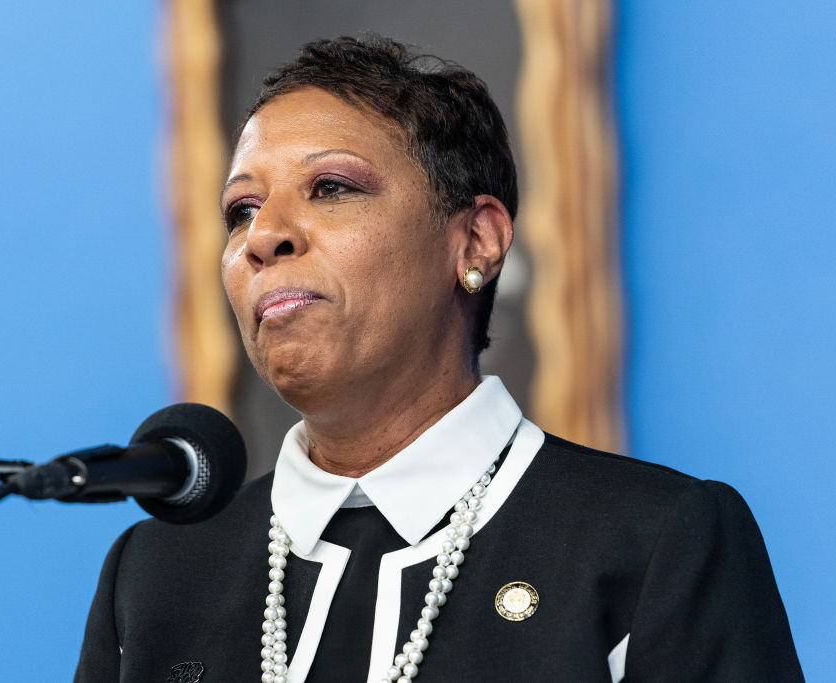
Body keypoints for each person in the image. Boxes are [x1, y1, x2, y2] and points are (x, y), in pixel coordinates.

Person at [75, 36, 802, 682]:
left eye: (331, 188)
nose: (264, 237)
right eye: (241, 210)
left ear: (477, 243)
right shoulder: (155, 576)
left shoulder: (652, 542)